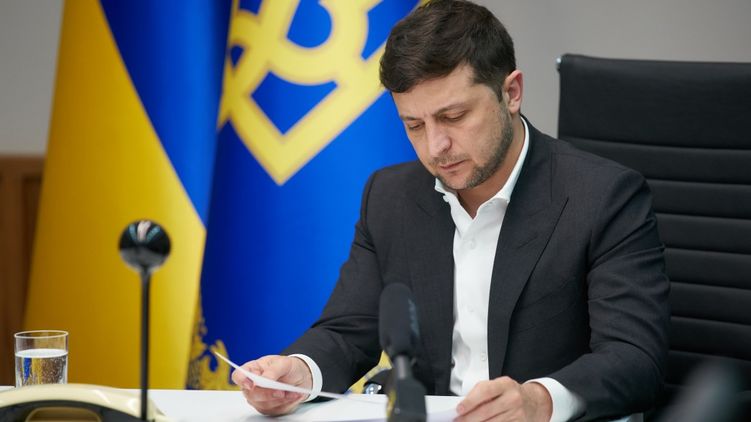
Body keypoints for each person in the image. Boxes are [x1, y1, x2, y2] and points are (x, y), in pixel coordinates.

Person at [231, 0, 670, 420]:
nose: (435, 147)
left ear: (511, 92)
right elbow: (348, 331)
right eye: (414, 125)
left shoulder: (603, 196)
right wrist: (300, 373)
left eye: (454, 116)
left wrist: (538, 401)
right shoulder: (389, 196)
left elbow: (633, 357)